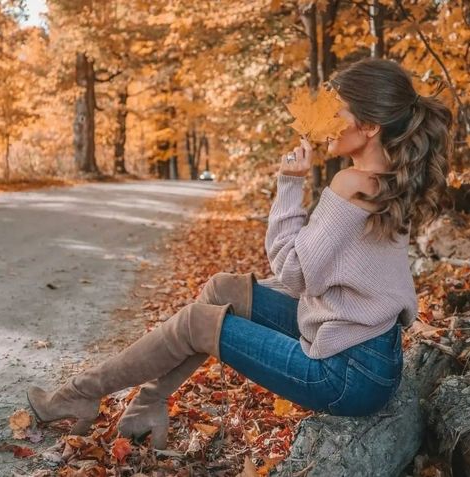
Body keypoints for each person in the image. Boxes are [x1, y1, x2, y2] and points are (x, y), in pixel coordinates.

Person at [26, 58, 453, 450]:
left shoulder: (350, 185)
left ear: (371, 125)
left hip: (344, 374)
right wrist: (251, 296)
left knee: (197, 321)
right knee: (223, 288)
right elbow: (333, 276)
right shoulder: (389, 181)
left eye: (337, 109)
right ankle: (147, 405)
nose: (326, 120)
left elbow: (291, 273)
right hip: (368, 353)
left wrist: (288, 184)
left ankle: (79, 394)